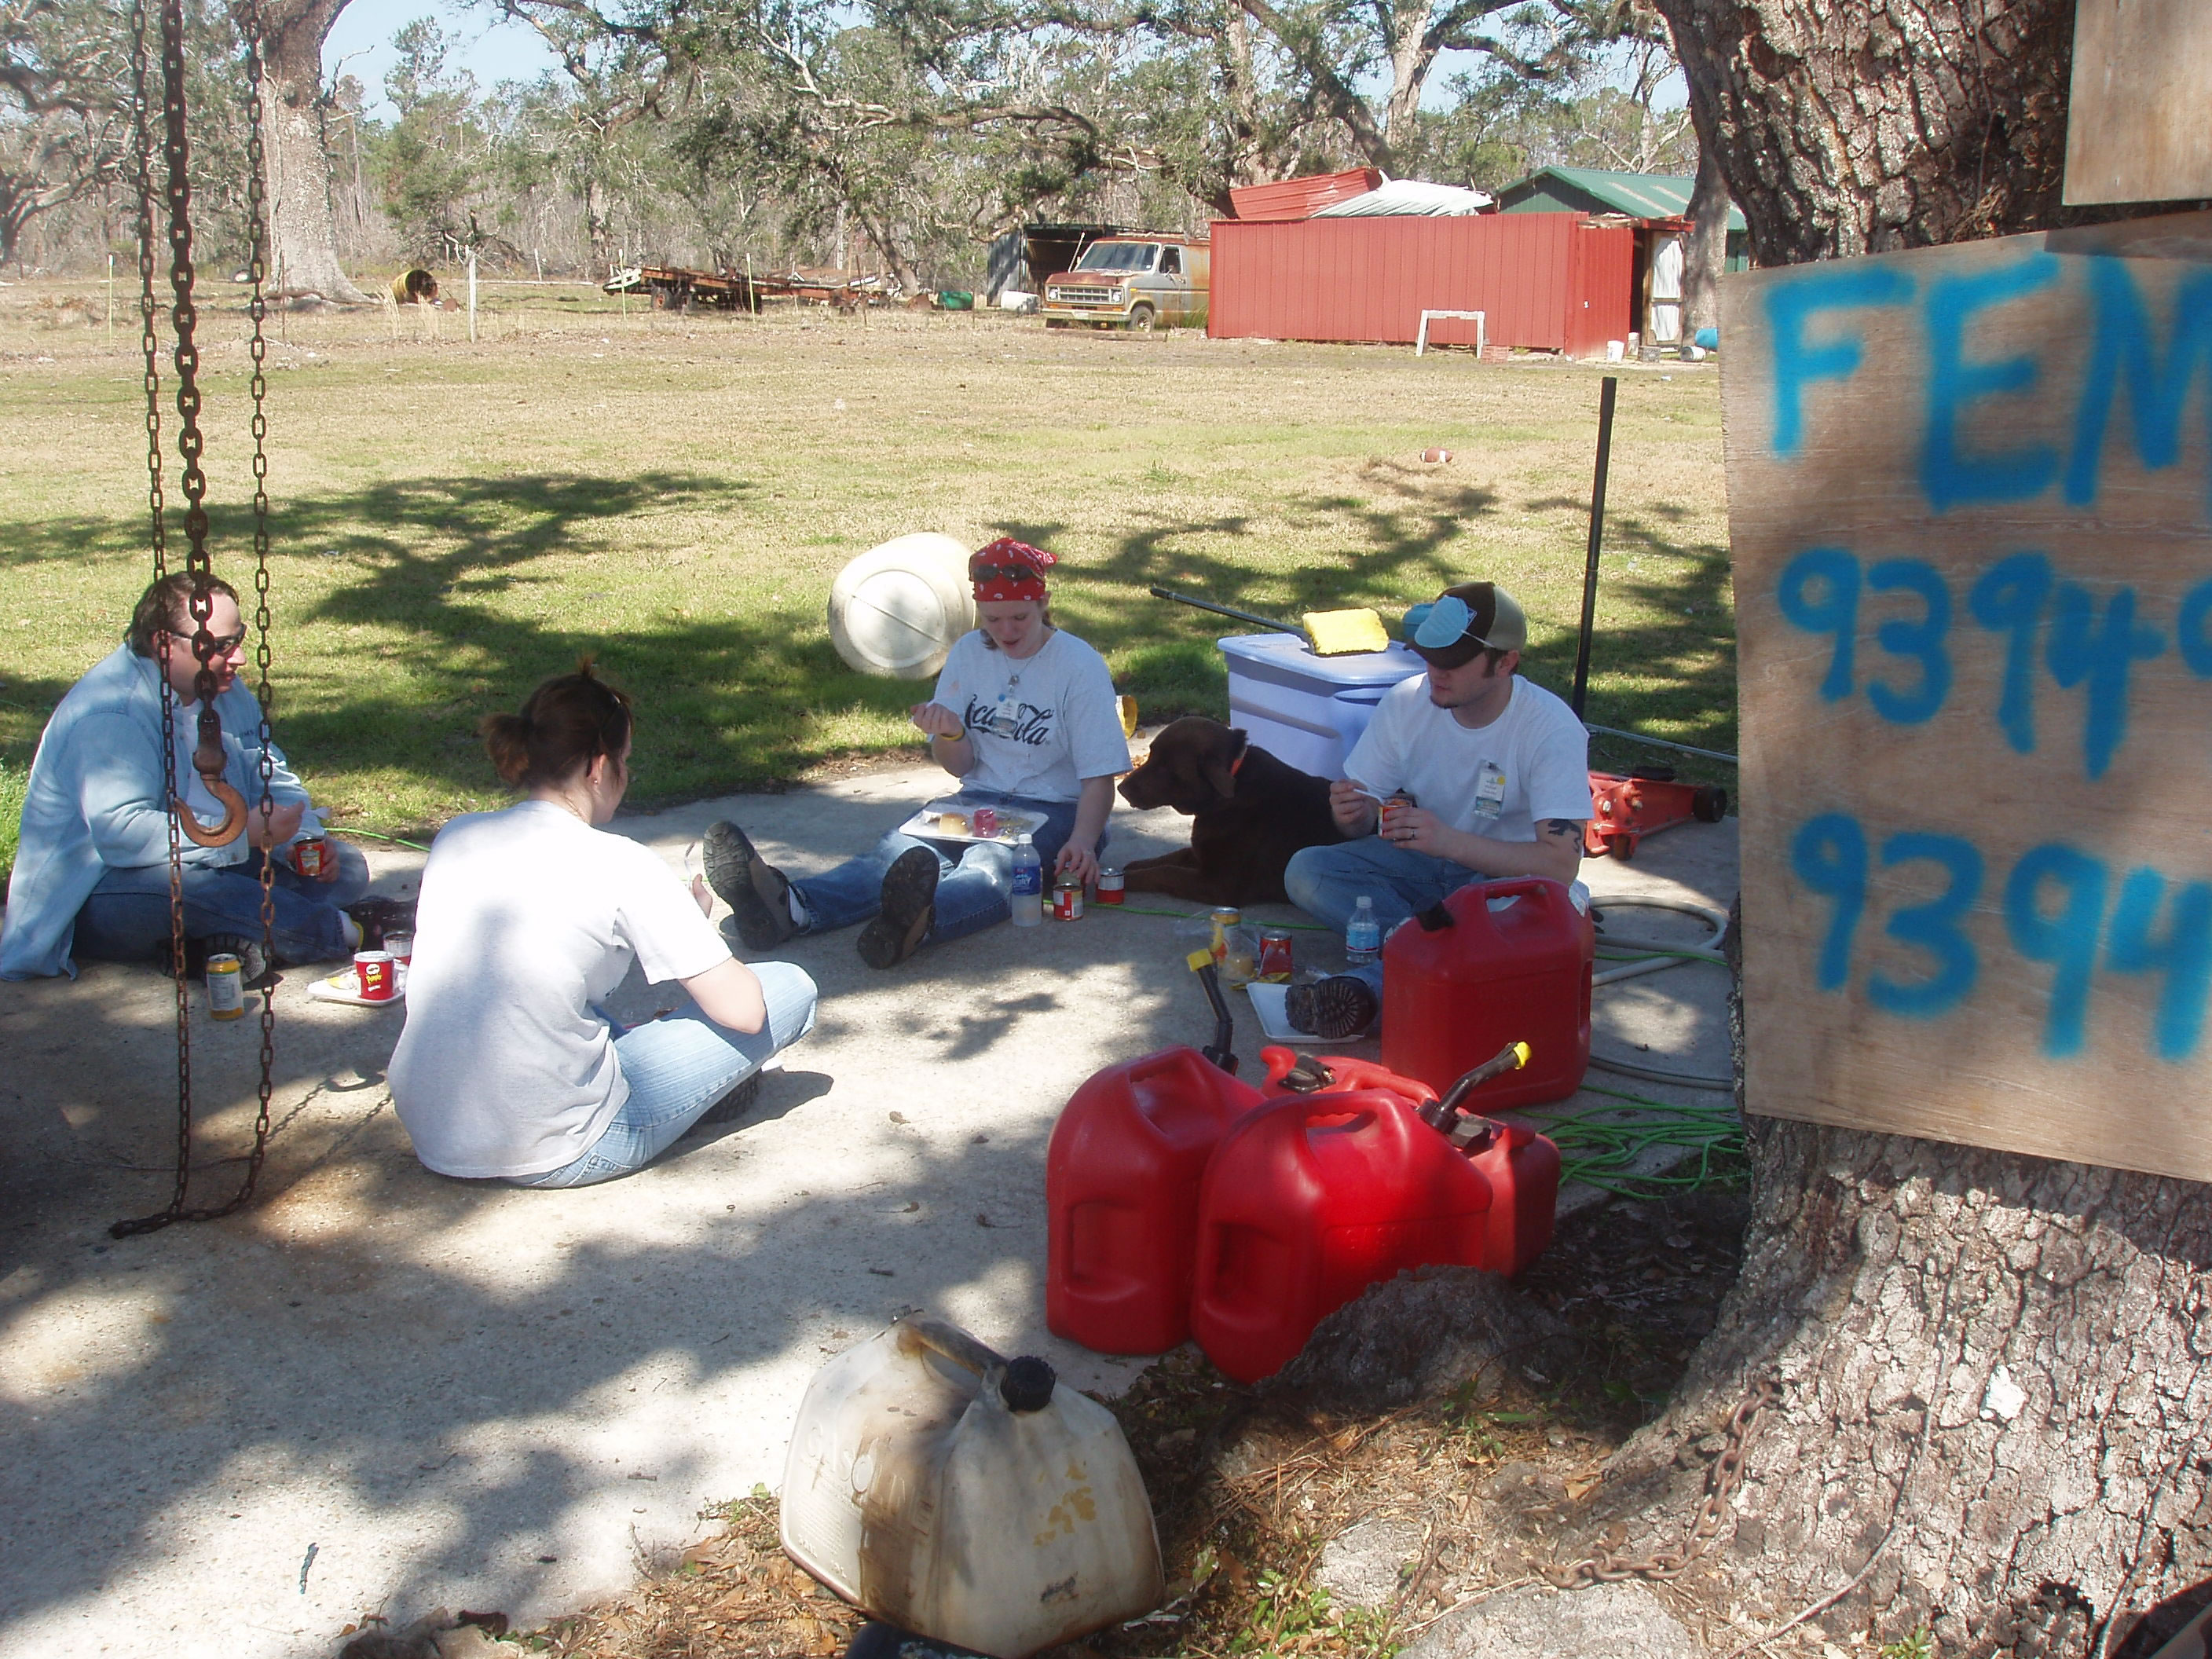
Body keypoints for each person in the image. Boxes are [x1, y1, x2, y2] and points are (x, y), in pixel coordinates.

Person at [388, 662, 819, 1187]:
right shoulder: (623, 861)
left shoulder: (457, 835)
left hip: (434, 1132)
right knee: (790, 986)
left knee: (570, 1009)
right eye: (624, 760)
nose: (626, 774)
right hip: (563, 1144)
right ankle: (702, 1089)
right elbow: (745, 1012)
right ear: (598, 768)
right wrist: (694, 927)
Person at [705, 538, 1130, 969]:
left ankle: (915, 922)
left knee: (992, 865)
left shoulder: (1078, 664)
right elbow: (960, 766)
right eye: (992, 619)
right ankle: (791, 907)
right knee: (896, 851)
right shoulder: (969, 652)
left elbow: (1098, 774)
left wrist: (1083, 840)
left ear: (1044, 603)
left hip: (1056, 810)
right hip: (976, 800)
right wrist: (951, 733)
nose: (1006, 632)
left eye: (1020, 617)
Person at [1, 572, 372, 981]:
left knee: (346, 866)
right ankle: (345, 932)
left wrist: (302, 841)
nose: (239, 658)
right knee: (203, 894)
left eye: (239, 639)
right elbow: (122, 836)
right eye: (220, 646)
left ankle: (223, 944)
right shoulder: (112, 713)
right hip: (102, 891)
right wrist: (235, 835)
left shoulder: (225, 689)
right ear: (165, 644)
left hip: (217, 861)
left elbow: (271, 774)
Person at [1281, 580, 1592, 1038]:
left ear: (1505, 662)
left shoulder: (1550, 728)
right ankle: (1429, 950)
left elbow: (1561, 866)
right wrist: (1353, 815)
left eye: (1453, 662)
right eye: (1429, 657)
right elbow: (1362, 817)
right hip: (1424, 867)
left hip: (1507, 884)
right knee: (1307, 871)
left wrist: (1449, 841)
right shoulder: (1407, 701)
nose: (1436, 673)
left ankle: (1369, 990)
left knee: (1518, 923)